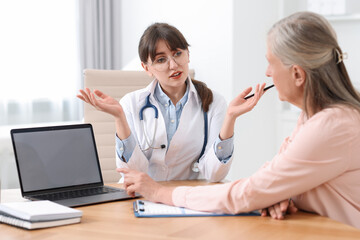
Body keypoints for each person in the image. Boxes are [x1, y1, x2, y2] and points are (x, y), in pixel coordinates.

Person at [117, 12, 360, 229]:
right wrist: (280, 192)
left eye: (270, 62)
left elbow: (249, 190)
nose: (267, 73)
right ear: (147, 67)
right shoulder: (313, 117)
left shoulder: (331, 125)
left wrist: (160, 192)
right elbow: (275, 173)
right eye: (161, 59)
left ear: (297, 74)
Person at [78, 23, 265, 182]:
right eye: (161, 59)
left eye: (177, 54)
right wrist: (119, 117)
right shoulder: (131, 103)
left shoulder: (214, 102)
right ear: (146, 68)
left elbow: (214, 174)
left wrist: (230, 118)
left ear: (188, 55)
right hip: (138, 197)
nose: (173, 65)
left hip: (185, 199)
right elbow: (132, 172)